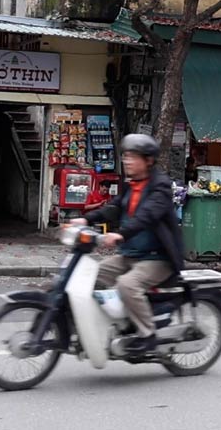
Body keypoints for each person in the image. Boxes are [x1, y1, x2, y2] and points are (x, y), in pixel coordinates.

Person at [72, 134, 184, 354]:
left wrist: (120, 234)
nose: (127, 161)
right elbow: (114, 207)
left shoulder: (160, 187)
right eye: (126, 156)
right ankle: (104, 326)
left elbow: (146, 216)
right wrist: (87, 219)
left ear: (148, 160)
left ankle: (148, 334)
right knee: (87, 275)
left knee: (127, 285)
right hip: (130, 254)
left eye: (133, 157)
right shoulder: (131, 184)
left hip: (157, 257)